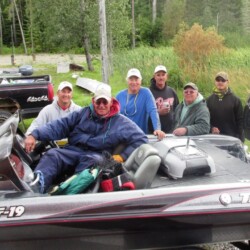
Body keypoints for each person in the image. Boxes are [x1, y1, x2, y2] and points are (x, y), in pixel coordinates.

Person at [24, 84, 148, 193]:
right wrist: (35, 134)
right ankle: (36, 188)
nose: (101, 105)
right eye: (98, 102)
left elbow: (141, 139)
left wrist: (122, 156)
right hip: (72, 151)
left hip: (96, 156)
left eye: (105, 102)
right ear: (93, 101)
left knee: (92, 164)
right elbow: (59, 126)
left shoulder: (121, 122)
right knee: (53, 154)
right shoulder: (81, 113)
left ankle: (74, 193)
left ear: (111, 102)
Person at [116, 68, 165, 140]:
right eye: (131, 79)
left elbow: (153, 111)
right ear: (127, 80)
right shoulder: (119, 95)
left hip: (139, 136)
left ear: (140, 81)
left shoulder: (146, 93)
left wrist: (157, 128)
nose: (134, 82)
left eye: (136, 79)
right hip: (122, 136)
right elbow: (113, 116)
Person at [207, 72, 244, 142]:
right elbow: (205, 118)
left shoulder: (236, 100)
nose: (220, 82)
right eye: (218, 80)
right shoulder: (209, 99)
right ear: (215, 82)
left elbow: (240, 121)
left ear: (228, 82)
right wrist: (211, 128)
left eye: (223, 80)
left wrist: (241, 138)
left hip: (231, 138)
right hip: (214, 137)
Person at [149, 65, 179, 133]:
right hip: (153, 131)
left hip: (170, 131)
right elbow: (144, 114)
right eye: (158, 75)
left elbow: (177, 110)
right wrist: (158, 112)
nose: (161, 77)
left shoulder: (171, 91)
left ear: (166, 76)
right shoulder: (149, 92)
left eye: (163, 75)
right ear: (154, 77)